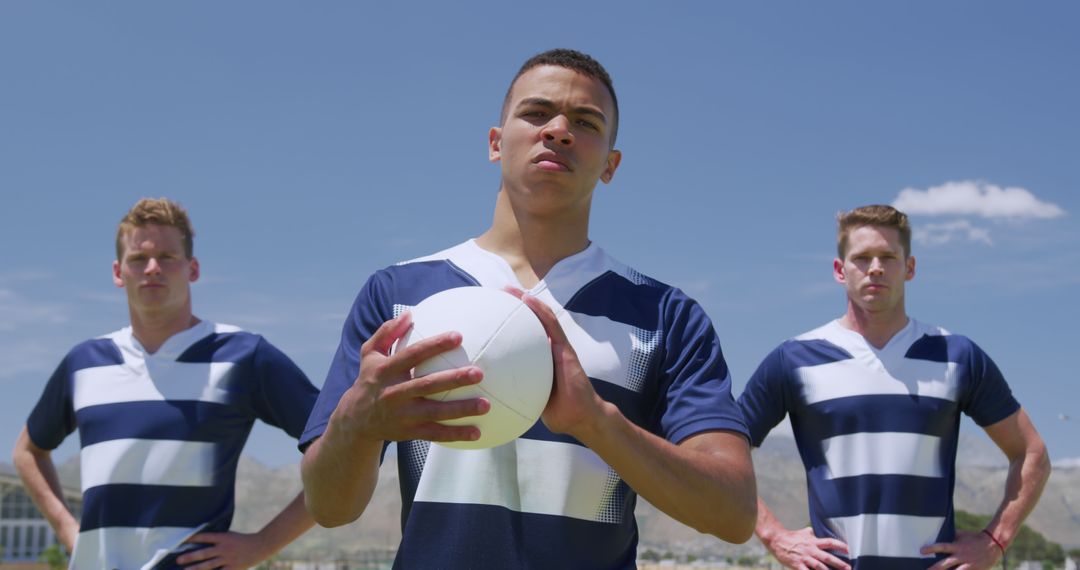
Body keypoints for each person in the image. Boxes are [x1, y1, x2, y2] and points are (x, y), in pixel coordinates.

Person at [300, 48, 757, 569]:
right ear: (496, 143)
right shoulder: (399, 295)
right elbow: (329, 506)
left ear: (611, 164)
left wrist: (597, 423)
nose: (559, 130)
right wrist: (356, 425)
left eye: (585, 122)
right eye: (536, 113)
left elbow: (734, 512)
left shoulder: (664, 316)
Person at [738, 205, 1051, 569]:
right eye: (862, 258)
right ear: (840, 271)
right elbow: (723, 453)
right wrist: (774, 535)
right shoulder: (794, 360)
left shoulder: (957, 356)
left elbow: (1031, 454)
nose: (875, 268)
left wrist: (995, 540)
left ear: (910, 268)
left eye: (888, 256)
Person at [13, 198, 319, 570]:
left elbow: (343, 446)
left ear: (193, 269)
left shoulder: (244, 357)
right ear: (117, 272)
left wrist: (261, 544)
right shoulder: (83, 364)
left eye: (167, 257)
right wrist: (68, 530)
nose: (152, 268)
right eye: (138, 259)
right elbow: (28, 452)